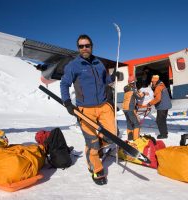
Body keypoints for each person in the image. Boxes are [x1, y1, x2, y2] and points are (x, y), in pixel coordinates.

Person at [60, 34, 120, 185]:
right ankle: (95, 167)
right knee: (92, 141)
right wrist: (67, 102)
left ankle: (93, 148)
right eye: (81, 46)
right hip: (85, 110)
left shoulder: (99, 63)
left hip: (104, 106)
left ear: (92, 46)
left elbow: (106, 81)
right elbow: (64, 84)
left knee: (112, 135)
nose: (84, 48)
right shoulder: (73, 65)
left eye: (87, 45)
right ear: (78, 48)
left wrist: (114, 77)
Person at [143, 75, 172, 139]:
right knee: (163, 120)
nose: (152, 83)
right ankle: (165, 133)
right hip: (166, 105)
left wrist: (150, 103)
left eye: (152, 82)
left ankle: (163, 135)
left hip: (162, 106)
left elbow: (158, 99)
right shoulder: (162, 84)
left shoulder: (158, 87)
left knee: (159, 120)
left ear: (155, 81)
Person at [122, 75, 146, 141]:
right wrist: (143, 93)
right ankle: (136, 139)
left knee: (129, 123)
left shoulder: (126, 88)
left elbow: (132, 95)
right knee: (136, 123)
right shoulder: (133, 89)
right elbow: (139, 97)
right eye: (135, 82)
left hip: (125, 108)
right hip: (130, 108)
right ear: (133, 82)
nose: (135, 83)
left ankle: (130, 137)